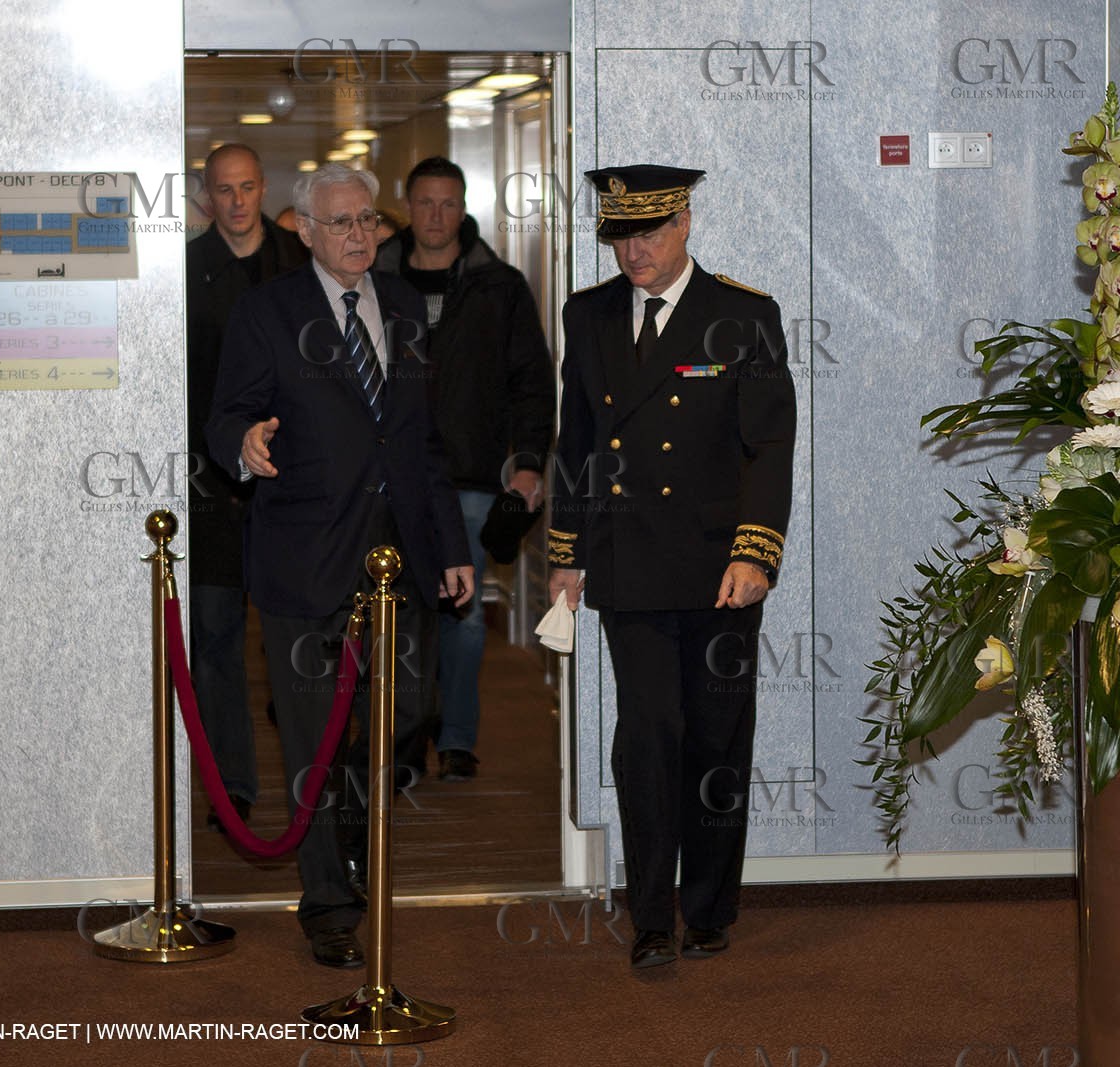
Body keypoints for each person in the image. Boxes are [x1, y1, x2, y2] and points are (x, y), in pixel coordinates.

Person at [207, 163, 474, 968]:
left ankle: (349, 831)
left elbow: (421, 440)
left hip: (400, 557)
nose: (362, 235)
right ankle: (327, 901)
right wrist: (244, 444)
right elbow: (226, 415)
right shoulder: (267, 312)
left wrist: (452, 547)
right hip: (305, 557)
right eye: (343, 222)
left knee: (410, 713)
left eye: (369, 220)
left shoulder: (404, 306)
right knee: (312, 741)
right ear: (304, 231)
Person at [546, 164, 796, 969]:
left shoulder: (742, 314)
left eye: (650, 233)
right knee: (648, 737)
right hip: (630, 562)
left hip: (721, 568)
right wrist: (566, 552)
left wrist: (756, 550)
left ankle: (710, 904)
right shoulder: (587, 314)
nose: (634, 252)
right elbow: (576, 440)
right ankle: (652, 914)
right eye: (621, 236)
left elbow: (769, 445)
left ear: (685, 221)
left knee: (717, 736)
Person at [374, 156, 554, 782]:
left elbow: (532, 383)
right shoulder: (373, 278)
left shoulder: (498, 286)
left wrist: (527, 465)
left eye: (448, 203)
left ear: (463, 207)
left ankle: (455, 738)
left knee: (464, 609)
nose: (436, 215)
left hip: (473, 475)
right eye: (425, 202)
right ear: (408, 206)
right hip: (393, 477)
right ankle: (403, 736)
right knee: (398, 610)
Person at [185, 143, 308, 829]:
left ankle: (311, 782)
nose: (236, 201)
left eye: (247, 187)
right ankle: (230, 784)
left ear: (264, 188)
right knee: (214, 637)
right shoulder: (185, 271)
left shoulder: (302, 262)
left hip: (295, 482)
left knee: (297, 640)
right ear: (207, 196)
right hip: (210, 483)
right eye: (223, 189)